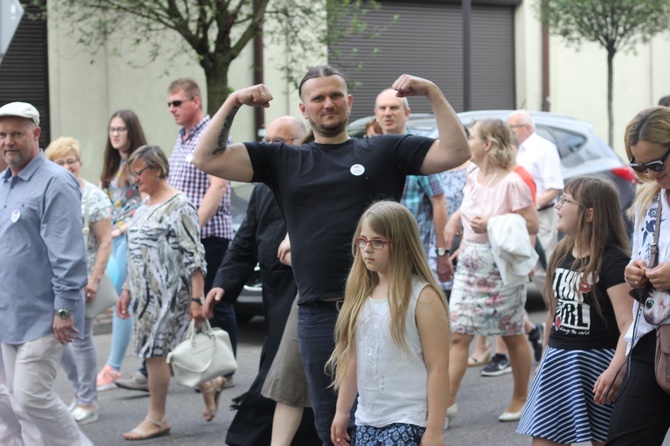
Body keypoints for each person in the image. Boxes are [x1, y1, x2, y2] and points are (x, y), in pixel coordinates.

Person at [192, 65, 470, 444]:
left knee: (392, 422)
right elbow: (207, 158)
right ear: (304, 109)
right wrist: (234, 101)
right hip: (319, 314)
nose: (328, 103)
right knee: (333, 430)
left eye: (335, 95)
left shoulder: (384, 149)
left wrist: (432, 91)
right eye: (318, 98)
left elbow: (456, 151)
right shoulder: (283, 160)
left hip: (383, 308)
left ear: (349, 102)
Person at [202, 116, 312, 443]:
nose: (273, 149)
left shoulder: (314, 180)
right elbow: (245, 241)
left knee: (284, 373)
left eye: (283, 142)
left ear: (302, 145)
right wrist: (223, 283)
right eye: (269, 142)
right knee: (284, 373)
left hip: (304, 293)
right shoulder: (263, 186)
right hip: (275, 295)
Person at [0, 102, 91, 445]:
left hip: (45, 315)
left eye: (17, 134)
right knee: (5, 401)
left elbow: (68, 253)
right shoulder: (3, 184)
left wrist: (65, 309)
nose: (8, 141)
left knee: (30, 396)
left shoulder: (56, 182)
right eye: (2, 134)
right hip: (7, 312)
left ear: (36, 134)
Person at [517, 176, 633, 445]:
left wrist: (616, 369)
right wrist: (546, 356)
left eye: (566, 201)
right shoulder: (561, 252)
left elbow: (628, 324)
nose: (557, 206)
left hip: (597, 365)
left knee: (599, 439)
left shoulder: (614, 261)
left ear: (589, 214)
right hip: (559, 360)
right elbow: (553, 311)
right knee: (544, 438)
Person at [327, 200, 451, 446]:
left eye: (378, 242)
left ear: (404, 245)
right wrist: (342, 411)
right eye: (362, 241)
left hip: (408, 419)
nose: (367, 249)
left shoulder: (422, 296)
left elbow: (438, 367)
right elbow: (354, 358)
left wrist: (435, 429)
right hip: (366, 420)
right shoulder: (362, 293)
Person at [444, 118, 538, 423]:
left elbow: (531, 224)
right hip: (471, 264)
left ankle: (521, 397)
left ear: (487, 144)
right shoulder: (472, 174)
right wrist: (455, 220)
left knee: (511, 334)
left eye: (471, 137)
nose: (467, 142)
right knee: (458, 334)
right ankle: (447, 403)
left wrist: (492, 224)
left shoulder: (513, 182)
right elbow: (470, 209)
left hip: (500, 268)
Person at [116, 145, 207, 440]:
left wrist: (196, 299)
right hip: (144, 296)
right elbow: (136, 251)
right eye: (132, 173)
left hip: (170, 295)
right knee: (167, 354)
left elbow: (195, 255)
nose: (135, 179)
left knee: (156, 354)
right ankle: (210, 382)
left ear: (157, 170)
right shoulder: (145, 204)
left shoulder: (180, 204)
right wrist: (127, 289)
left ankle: (157, 418)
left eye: (139, 172)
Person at [165, 77, 237, 389]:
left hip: (210, 234)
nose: (172, 109)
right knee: (195, 303)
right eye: (169, 104)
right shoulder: (182, 137)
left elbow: (218, 186)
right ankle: (206, 367)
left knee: (215, 301)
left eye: (177, 103)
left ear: (196, 101)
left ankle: (227, 369)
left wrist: (193, 227)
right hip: (187, 237)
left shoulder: (211, 133)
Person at [609, 106, 670, 445]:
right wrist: (635, 272)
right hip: (650, 339)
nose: (649, 173)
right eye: (638, 165)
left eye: (657, 164)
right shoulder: (649, 198)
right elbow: (641, 258)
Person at [45, 137, 113, 425]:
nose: (66, 166)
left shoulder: (93, 196)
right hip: (51, 281)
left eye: (70, 160)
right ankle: (80, 389)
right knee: (54, 340)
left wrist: (94, 280)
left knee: (82, 340)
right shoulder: (49, 192)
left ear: (80, 162)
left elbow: (105, 241)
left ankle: (88, 401)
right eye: (58, 163)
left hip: (82, 282)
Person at [374, 89, 452, 285]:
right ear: (376, 114)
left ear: (407, 113)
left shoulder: (417, 151)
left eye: (394, 107)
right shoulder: (368, 149)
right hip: (376, 251)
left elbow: (439, 201)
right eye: (382, 108)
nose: (387, 113)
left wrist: (442, 253)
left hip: (412, 252)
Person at [96, 109, 148, 392]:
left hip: (130, 239)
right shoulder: (113, 162)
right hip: (112, 239)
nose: (115, 134)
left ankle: (113, 367)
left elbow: (148, 200)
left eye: (121, 129)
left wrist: (122, 229)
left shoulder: (140, 162)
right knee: (123, 301)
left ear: (132, 131)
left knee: (120, 301)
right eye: (111, 129)